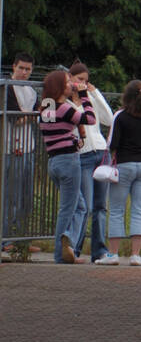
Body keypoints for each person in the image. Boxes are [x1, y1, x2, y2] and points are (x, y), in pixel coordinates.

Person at [98, 79, 141, 266]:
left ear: (126, 95)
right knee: (138, 210)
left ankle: (113, 254)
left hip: (123, 166)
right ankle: (135, 255)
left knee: (117, 210)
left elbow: (112, 144)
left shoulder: (121, 116)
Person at [36, 68, 96, 263]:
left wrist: (72, 139)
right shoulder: (64, 107)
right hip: (69, 162)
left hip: (53, 161)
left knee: (79, 206)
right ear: (59, 87)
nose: (72, 85)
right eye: (67, 82)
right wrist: (84, 94)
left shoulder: (46, 106)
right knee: (69, 209)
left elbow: (55, 132)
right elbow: (90, 119)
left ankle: (67, 247)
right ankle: (63, 247)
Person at [67, 62, 113, 262]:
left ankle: (99, 250)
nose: (82, 83)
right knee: (84, 205)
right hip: (83, 155)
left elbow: (109, 119)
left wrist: (95, 94)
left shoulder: (89, 98)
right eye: (79, 79)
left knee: (101, 206)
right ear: (70, 79)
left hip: (100, 152)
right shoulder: (64, 101)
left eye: (85, 80)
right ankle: (75, 248)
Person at [3, 53, 38, 251]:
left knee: (26, 195)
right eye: (21, 68)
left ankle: (22, 240)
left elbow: (44, 114)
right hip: (11, 147)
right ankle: (6, 239)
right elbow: (15, 118)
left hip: (29, 146)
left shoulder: (32, 90)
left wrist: (30, 115)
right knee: (10, 196)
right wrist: (32, 115)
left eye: (28, 69)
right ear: (14, 67)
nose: (24, 72)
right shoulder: (6, 87)